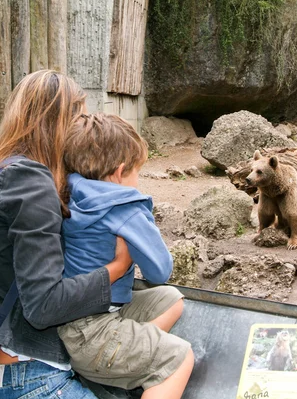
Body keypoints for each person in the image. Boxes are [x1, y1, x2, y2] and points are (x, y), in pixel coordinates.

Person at [0, 70, 134, 398]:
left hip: (10, 367)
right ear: (59, 121)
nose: (83, 127)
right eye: (78, 116)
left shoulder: (2, 170)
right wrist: (118, 266)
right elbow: (43, 305)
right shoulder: (31, 185)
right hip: (32, 375)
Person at [57, 113, 194, 397]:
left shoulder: (67, 191)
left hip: (76, 319)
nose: (138, 181)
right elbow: (160, 271)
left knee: (171, 299)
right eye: (137, 173)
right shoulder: (124, 207)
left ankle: (123, 365)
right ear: (120, 172)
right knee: (178, 357)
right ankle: (128, 363)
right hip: (92, 333)